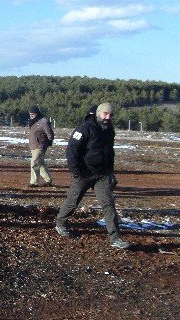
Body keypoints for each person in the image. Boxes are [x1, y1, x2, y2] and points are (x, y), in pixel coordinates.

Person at [55, 103, 131, 249]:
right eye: (105, 114)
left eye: (110, 115)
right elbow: (72, 150)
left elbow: (110, 153)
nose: (108, 117)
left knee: (108, 204)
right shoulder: (84, 129)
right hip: (84, 174)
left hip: (102, 175)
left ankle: (115, 238)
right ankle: (60, 223)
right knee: (73, 201)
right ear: (98, 114)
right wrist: (77, 172)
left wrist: (110, 173)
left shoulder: (109, 130)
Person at [27, 105, 54, 187]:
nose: (31, 116)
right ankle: (48, 180)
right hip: (34, 146)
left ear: (37, 113)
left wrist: (49, 142)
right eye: (30, 114)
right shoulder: (33, 122)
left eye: (33, 114)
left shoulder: (43, 122)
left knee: (34, 163)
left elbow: (50, 134)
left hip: (40, 146)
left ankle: (34, 182)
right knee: (40, 164)